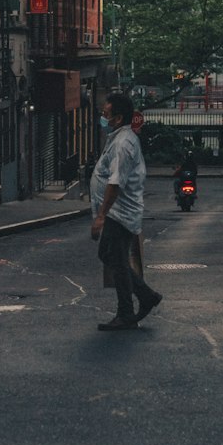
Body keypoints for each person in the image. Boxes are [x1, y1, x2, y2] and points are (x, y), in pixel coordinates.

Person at [90, 91, 163, 331]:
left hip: (118, 213)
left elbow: (115, 183)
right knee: (110, 257)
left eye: (106, 114)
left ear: (118, 118)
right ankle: (145, 295)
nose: (103, 117)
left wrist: (101, 215)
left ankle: (127, 310)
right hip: (117, 212)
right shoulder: (120, 137)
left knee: (116, 260)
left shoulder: (122, 144)